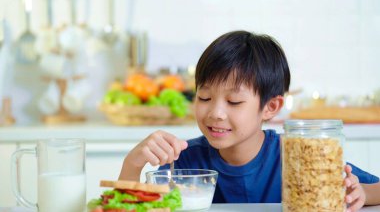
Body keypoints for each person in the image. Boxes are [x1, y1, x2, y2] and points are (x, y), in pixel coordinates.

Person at [119, 30, 380, 211]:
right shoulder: (184, 161)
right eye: (205, 97)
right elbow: (128, 207)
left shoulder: (296, 155)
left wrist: (363, 194)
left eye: (234, 102)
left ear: (271, 107)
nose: (216, 113)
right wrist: (133, 163)